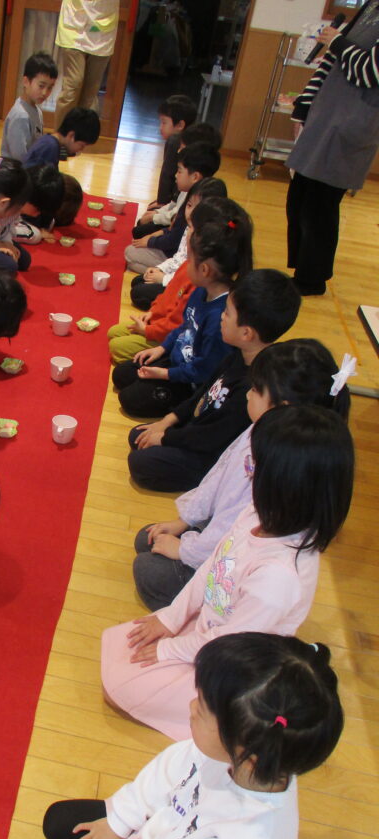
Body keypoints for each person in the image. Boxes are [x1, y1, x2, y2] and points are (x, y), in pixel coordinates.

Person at [29, 632, 344, 839]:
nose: (192, 707)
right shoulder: (240, 753)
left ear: (247, 754)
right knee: (58, 821)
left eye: (203, 708)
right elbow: (165, 774)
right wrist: (119, 822)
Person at [101, 404, 354, 741]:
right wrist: (172, 618)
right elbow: (214, 566)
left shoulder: (279, 577)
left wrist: (168, 650)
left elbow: (230, 646)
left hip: (235, 661)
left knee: (123, 687)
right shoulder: (258, 513)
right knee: (126, 650)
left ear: (284, 484)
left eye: (254, 466)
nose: (246, 472)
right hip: (214, 627)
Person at [133, 338, 353, 611]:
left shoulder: (278, 468)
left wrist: (185, 551)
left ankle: (198, 605)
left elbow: (236, 531)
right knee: (147, 539)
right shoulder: (263, 428)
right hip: (223, 536)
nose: (248, 394)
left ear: (281, 406)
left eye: (256, 389)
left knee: (149, 571)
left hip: (235, 566)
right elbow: (220, 475)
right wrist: (184, 521)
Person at [126, 263, 299, 494]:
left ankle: (207, 481)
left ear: (246, 333)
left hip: (209, 452)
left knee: (141, 463)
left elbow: (210, 437)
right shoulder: (237, 353)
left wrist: (166, 438)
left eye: (227, 313)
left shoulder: (252, 388)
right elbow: (203, 392)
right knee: (138, 436)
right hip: (198, 428)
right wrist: (168, 420)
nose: (221, 317)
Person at [114, 198, 253, 418]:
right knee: (122, 375)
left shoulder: (220, 318)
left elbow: (203, 370)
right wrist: (162, 349)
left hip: (189, 380)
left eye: (190, 260)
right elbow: (183, 327)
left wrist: (165, 374)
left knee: (130, 399)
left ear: (204, 270)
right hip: (176, 359)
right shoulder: (202, 290)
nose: (185, 265)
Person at [286, 0, 379, 296]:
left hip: (353, 123)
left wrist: (337, 41)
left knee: (320, 206)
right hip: (325, 115)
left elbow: (370, 72)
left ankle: (311, 279)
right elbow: (330, 61)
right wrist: (305, 102)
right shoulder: (373, 3)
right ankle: (302, 268)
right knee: (299, 197)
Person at [125, 175, 226, 317]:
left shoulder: (208, 240)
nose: (190, 212)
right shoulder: (190, 226)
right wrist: (160, 269)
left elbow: (188, 279)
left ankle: (171, 307)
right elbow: (179, 257)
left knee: (139, 293)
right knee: (138, 281)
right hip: (175, 277)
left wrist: (164, 279)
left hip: (185, 290)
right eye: (189, 205)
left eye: (198, 208)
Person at [51, 0, 136, 129]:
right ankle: (60, 136)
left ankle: (77, 136)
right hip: (74, 27)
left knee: (89, 93)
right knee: (73, 85)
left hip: (103, 31)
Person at [124, 142, 221, 274]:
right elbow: (173, 227)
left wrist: (151, 241)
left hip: (175, 258)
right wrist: (155, 234)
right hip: (175, 254)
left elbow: (174, 240)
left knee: (130, 253)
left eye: (179, 171)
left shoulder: (194, 205)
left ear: (195, 177)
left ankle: (166, 275)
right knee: (137, 243)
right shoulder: (191, 194)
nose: (176, 175)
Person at [139, 96, 199, 222]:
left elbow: (167, 174)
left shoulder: (175, 141)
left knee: (145, 220)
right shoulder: (191, 139)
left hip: (178, 202)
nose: (160, 127)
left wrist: (162, 201)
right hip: (180, 201)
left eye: (164, 122)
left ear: (180, 125)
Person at [0, 51, 58, 162]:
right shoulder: (21, 116)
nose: (45, 92)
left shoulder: (37, 111)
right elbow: (20, 158)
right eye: (41, 86)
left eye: (50, 88)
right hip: (16, 170)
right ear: (26, 82)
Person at [22, 107, 100, 168]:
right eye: (82, 145)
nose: (81, 150)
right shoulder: (51, 146)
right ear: (71, 135)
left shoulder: (50, 142)